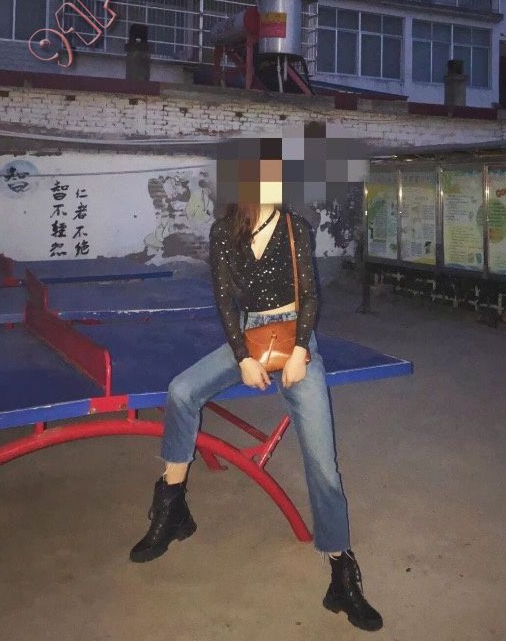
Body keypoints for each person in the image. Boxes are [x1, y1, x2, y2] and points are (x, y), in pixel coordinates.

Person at [129, 151, 383, 632]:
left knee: (323, 464)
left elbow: (310, 295)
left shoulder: (294, 227)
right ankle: (172, 507)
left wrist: (302, 350)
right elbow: (224, 299)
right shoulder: (223, 232)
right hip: (248, 337)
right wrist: (243, 356)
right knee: (181, 391)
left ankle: (340, 571)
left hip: (296, 341)